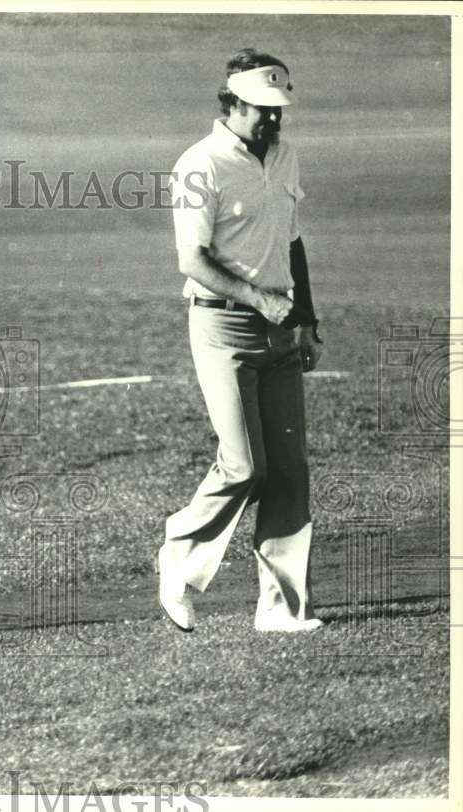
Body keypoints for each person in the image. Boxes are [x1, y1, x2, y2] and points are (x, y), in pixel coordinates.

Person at [159, 49, 325, 634]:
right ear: (231, 103)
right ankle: (177, 559)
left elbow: (293, 242)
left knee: (289, 469)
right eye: (261, 111)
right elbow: (192, 260)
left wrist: (305, 317)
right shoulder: (199, 164)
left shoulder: (285, 155)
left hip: (281, 328)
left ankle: (282, 610)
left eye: (279, 111)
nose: (273, 122)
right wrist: (260, 301)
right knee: (244, 465)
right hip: (222, 326)